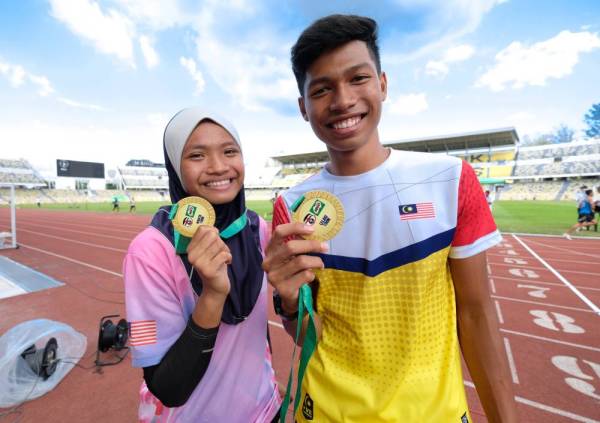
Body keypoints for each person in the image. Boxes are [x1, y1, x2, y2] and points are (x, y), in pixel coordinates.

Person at [263, 15, 518, 422]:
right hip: (329, 412)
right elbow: (306, 335)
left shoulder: (451, 179)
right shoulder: (292, 207)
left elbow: (477, 314)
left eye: (357, 79)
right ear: (303, 108)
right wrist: (290, 301)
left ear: (383, 83)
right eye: (322, 89)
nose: (343, 100)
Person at [124, 108, 281, 422]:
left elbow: (256, 325)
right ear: (175, 167)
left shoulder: (257, 229)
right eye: (197, 155)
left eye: (229, 151)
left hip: (265, 410)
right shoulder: (147, 251)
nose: (218, 166)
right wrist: (212, 295)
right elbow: (165, 388)